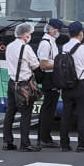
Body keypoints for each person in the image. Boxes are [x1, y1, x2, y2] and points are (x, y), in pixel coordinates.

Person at [59, 21, 84, 152]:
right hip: (81, 85)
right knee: (83, 116)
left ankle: (64, 144)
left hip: (66, 86)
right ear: (81, 34)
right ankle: (82, 144)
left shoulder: (64, 47)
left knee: (66, 114)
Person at [3, 22, 39, 152]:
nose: (30, 36)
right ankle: (25, 143)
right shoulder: (26, 48)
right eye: (29, 34)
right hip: (24, 85)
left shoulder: (9, 46)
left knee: (10, 113)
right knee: (26, 114)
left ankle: (7, 142)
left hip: (12, 82)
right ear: (24, 35)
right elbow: (35, 65)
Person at [36, 18, 63, 148]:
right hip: (49, 77)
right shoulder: (45, 43)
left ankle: (44, 136)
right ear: (51, 29)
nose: (58, 32)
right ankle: (44, 138)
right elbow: (43, 64)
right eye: (56, 30)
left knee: (50, 108)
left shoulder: (51, 42)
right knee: (48, 108)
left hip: (53, 76)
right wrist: (59, 64)